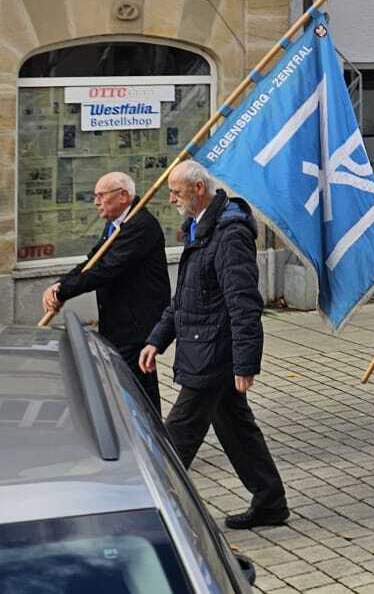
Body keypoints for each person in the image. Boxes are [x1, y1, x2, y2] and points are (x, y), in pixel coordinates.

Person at [138, 161, 287, 530]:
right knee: (237, 429)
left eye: (177, 192)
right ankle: (270, 502)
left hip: (215, 355)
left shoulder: (228, 233)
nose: (172, 198)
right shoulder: (199, 228)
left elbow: (244, 302)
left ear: (199, 189)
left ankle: (151, 510)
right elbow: (185, 298)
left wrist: (245, 363)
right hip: (200, 346)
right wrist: (157, 340)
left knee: (177, 436)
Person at [43, 171, 170, 413]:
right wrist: (60, 285)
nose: (96, 201)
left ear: (123, 196)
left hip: (137, 323)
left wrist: (64, 292)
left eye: (101, 195)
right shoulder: (115, 223)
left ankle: (151, 442)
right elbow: (93, 262)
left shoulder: (139, 225)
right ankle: (143, 437)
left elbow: (108, 269)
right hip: (118, 320)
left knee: (137, 386)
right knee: (130, 383)